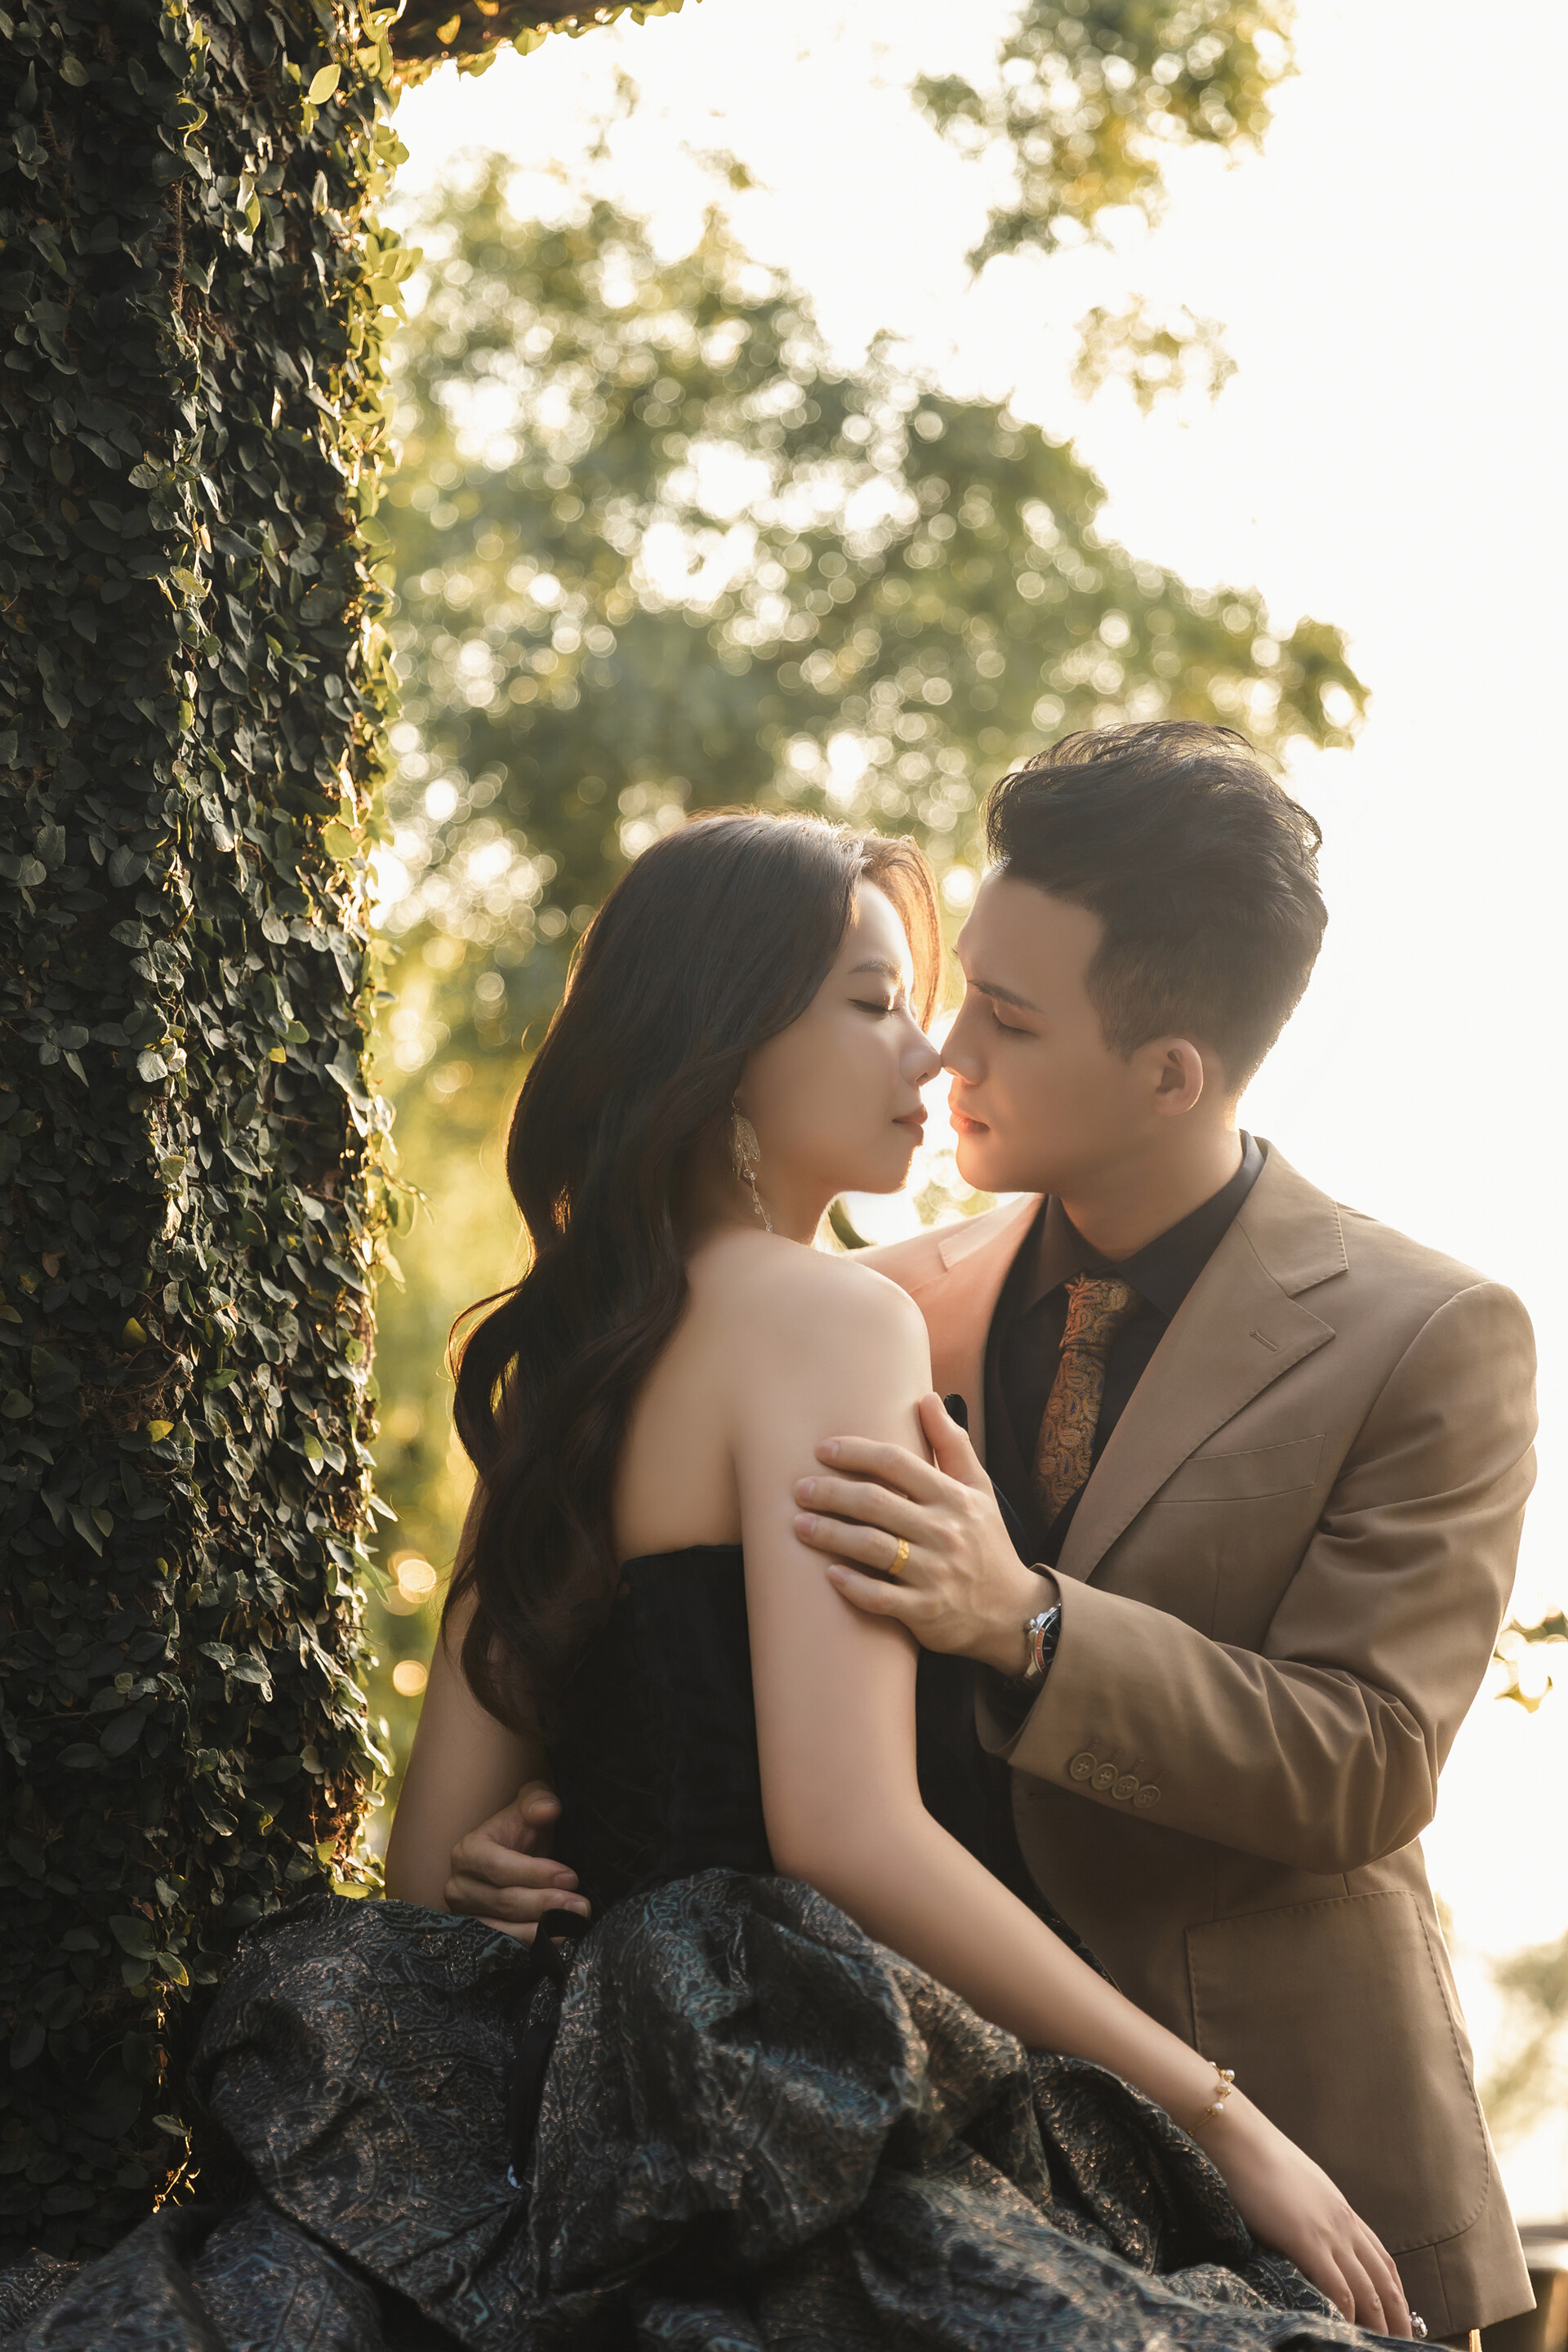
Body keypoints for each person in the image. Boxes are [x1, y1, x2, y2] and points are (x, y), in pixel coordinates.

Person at [378, 808, 1411, 2345]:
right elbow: (847, 1831)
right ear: (728, 1043)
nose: (930, 1056)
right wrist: (1220, 2116)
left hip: (567, 2125)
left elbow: (428, 1871)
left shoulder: (562, 1366)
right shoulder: (838, 1322)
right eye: (873, 1004)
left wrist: (503, 1868)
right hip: (796, 2100)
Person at [773, 724, 1537, 2348]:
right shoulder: (872, 1310)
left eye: (1010, 1018)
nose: (945, 1048)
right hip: (930, 2179)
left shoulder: (1432, 1336)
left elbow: (1367, 1760)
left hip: (1305, 2185)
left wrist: (1031, 1625)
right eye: (961, 991)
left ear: (1172, 1072)